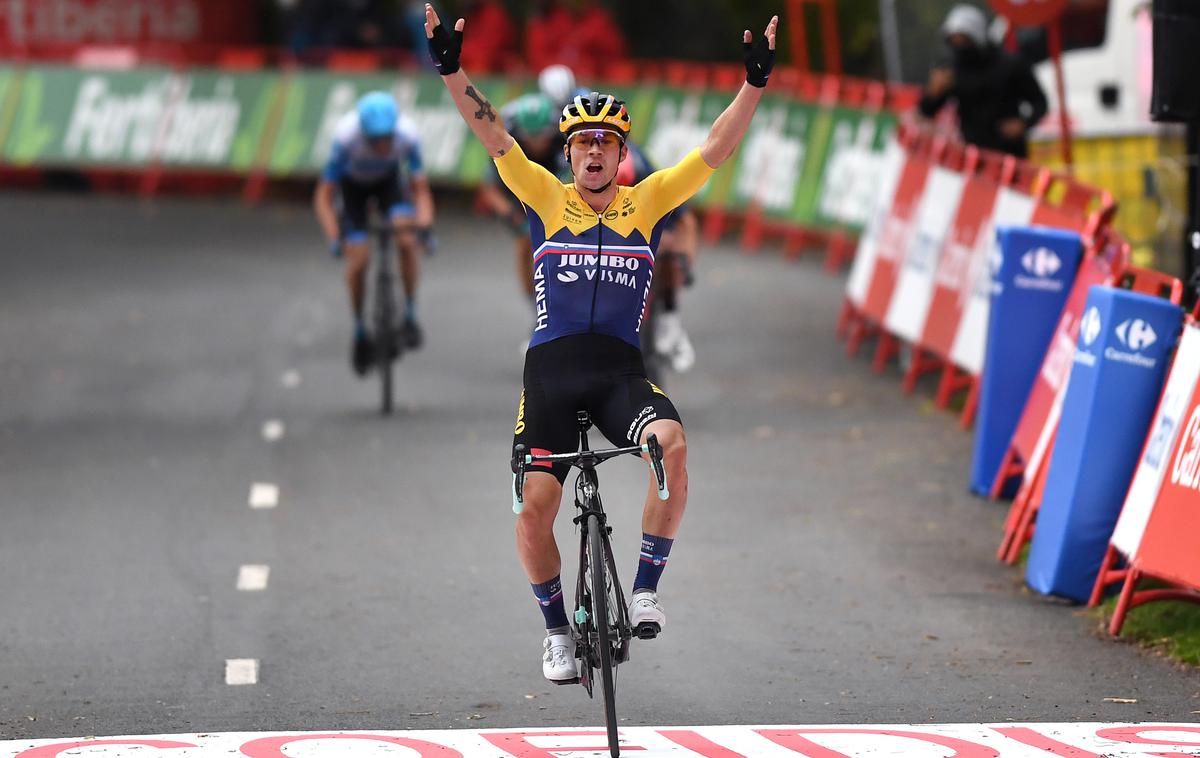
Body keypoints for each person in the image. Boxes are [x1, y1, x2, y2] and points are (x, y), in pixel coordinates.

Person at [424, 3, 777, 683]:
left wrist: (753, 84)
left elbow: (715, 149)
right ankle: (556, 630)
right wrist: (451, 67)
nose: (592, 152)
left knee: (671, 444)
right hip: (551, 375)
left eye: (605, 144)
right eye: (582, 142)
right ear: (568, 154)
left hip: (619, 374)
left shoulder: (646, 203)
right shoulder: (543, 197)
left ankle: (645, 587)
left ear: (621, 156)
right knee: (534, 509)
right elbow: (491, 131)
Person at [313, 91, 434, 376]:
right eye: (374, 140)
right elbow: (323, 197)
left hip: (389, 184)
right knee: (358, 261)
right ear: (363, 133)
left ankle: (410, 314)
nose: (382, 146)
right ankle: (359, 327)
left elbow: (420, 189)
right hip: (352, 189)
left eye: (386, 138)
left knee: (406, 240)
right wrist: (333, 236)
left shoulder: (406, 136)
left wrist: (425, 224)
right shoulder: (345, 139)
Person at [918, 4, 1048, 158]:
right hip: (973, 155)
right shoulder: (952, 70)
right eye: (954, 41)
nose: (959, 47)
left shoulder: (1010, 64)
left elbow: (1040, 102)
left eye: (963, 40)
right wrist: (933, 92)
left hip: (1010, 154)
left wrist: (1023, 124)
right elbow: (927, 111)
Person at [478, 91, 566, 303]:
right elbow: (490, 189)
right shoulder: (506, 138)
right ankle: (534, 305)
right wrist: (511, 215)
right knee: (525, 243)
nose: (536, 142)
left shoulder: (562, 135)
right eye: (530, 136)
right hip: (516, 193)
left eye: (541, 135)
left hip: (555, 183)